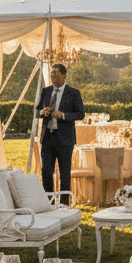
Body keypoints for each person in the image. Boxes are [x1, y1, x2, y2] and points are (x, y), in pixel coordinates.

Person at [35, 64, 85, 203]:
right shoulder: (46, 91)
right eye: (51, 73)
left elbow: (81, 114)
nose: (52, 76)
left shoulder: (73, 93)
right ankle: (49, 203)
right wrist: (41, 112)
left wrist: (63, 115)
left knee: (64, 174)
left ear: (64, 75)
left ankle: (64, 205)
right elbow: (36, 110)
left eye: (56, 73)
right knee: (46, 173)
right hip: (47, 138)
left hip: (64, 139)